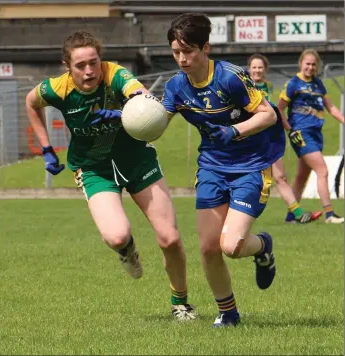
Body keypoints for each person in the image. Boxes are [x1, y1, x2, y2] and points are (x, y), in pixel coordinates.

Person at [25, 30, 196, 320]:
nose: (90, 70)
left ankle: (181, 304)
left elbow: (142, 96)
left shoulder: (115, 75)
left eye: (94, 62)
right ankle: (127, 251)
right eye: (81, 65)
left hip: (137, 161)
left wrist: (129, 111)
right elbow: (31, 103)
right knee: (117, 236)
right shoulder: (56, 88)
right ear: (67, 66)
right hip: (94, 168)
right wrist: (46, 149)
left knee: (170, 239)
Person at [163, 13, 279, 328]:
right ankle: (228, 314)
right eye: (176, 52)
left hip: (250, 166)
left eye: (189, 51)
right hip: (212, 167)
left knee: (231, 246)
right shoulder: (176, 87)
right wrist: (124, 118)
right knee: (209, 247)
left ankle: (264, 246)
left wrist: (234, 132)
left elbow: (267, 115)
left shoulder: (230, 77)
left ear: (206, 48)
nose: (182, 59)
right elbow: (154, 123)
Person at [248, 53, 322, 223]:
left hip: (269, 135)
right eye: (254, 67)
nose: (257, 70)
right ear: (249, 69)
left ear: (265, 70)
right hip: (249, 137)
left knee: (281, 177)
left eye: (260, 67)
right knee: (249, 178)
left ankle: (297, 214)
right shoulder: (243, 86)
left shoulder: (268, 86)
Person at [278, 48, 344, 224]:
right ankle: (329, 214)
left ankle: (291, 216)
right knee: (322, 170)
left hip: (315, 134)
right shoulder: (293, 84)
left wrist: (343, 120)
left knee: (301, 176)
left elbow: (330, 107)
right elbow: (279, 109)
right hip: (301, 133)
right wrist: (289, 129)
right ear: (301, 64)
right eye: (307, 63)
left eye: (314, 64)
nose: (310, 67)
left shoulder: (318, 84)